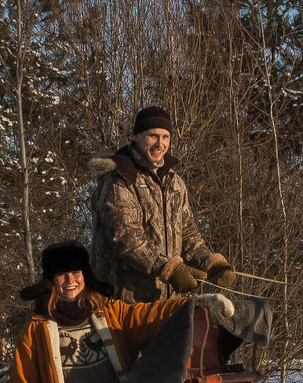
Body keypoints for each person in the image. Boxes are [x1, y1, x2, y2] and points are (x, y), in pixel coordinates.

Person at [4, 241, 234, 383]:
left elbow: (150, 314)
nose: (70, 281)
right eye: (62, 275)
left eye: (75, 273)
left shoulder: (109, 313)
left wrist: (195, 304)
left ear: (84, 275)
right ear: (51, 280)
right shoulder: (36, 331)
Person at [88, 104, 236, 303]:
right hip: (124, 302)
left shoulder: (174, 182)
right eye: (153, 136)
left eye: (165, 137)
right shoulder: (121, 178)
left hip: (167, 301)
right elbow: (125, 237)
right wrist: (169, 268)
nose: (160, 144)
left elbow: (188, 232)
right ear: (136, 136)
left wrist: (209, 262)